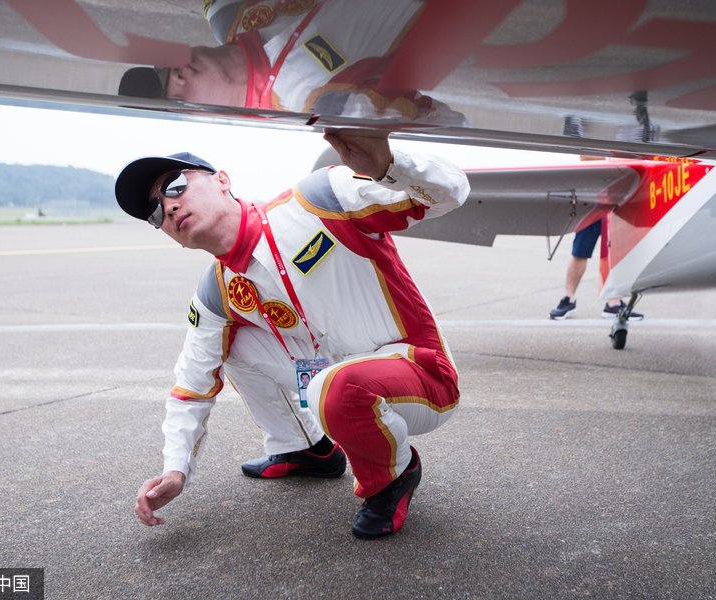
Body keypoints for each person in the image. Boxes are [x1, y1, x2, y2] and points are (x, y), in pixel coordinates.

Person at [118, 129, 469, 539]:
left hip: (422, 375)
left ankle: (394, 474)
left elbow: (450, 192)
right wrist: (175, 470)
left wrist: (389, 166)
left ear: (222, 180)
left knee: (336, 388)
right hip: (334, 381)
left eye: (176, 186)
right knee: (231, 346)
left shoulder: (319, 200)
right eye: (156, 212)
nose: (169, 205)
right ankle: (303, 447)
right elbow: (192, 384)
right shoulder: (217, 291)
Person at [119, 0, 465, 125]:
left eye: (163, 70)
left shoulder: (228, 13)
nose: (176, 74)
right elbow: (447, 128)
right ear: (197, 111)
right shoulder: (315, 99)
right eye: (175, 94)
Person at [549, 219, 644, 321]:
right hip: (592, 205)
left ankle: (614, 302)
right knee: (579, 250)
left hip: (615, 207)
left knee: (617, 251)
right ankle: (568, 299)